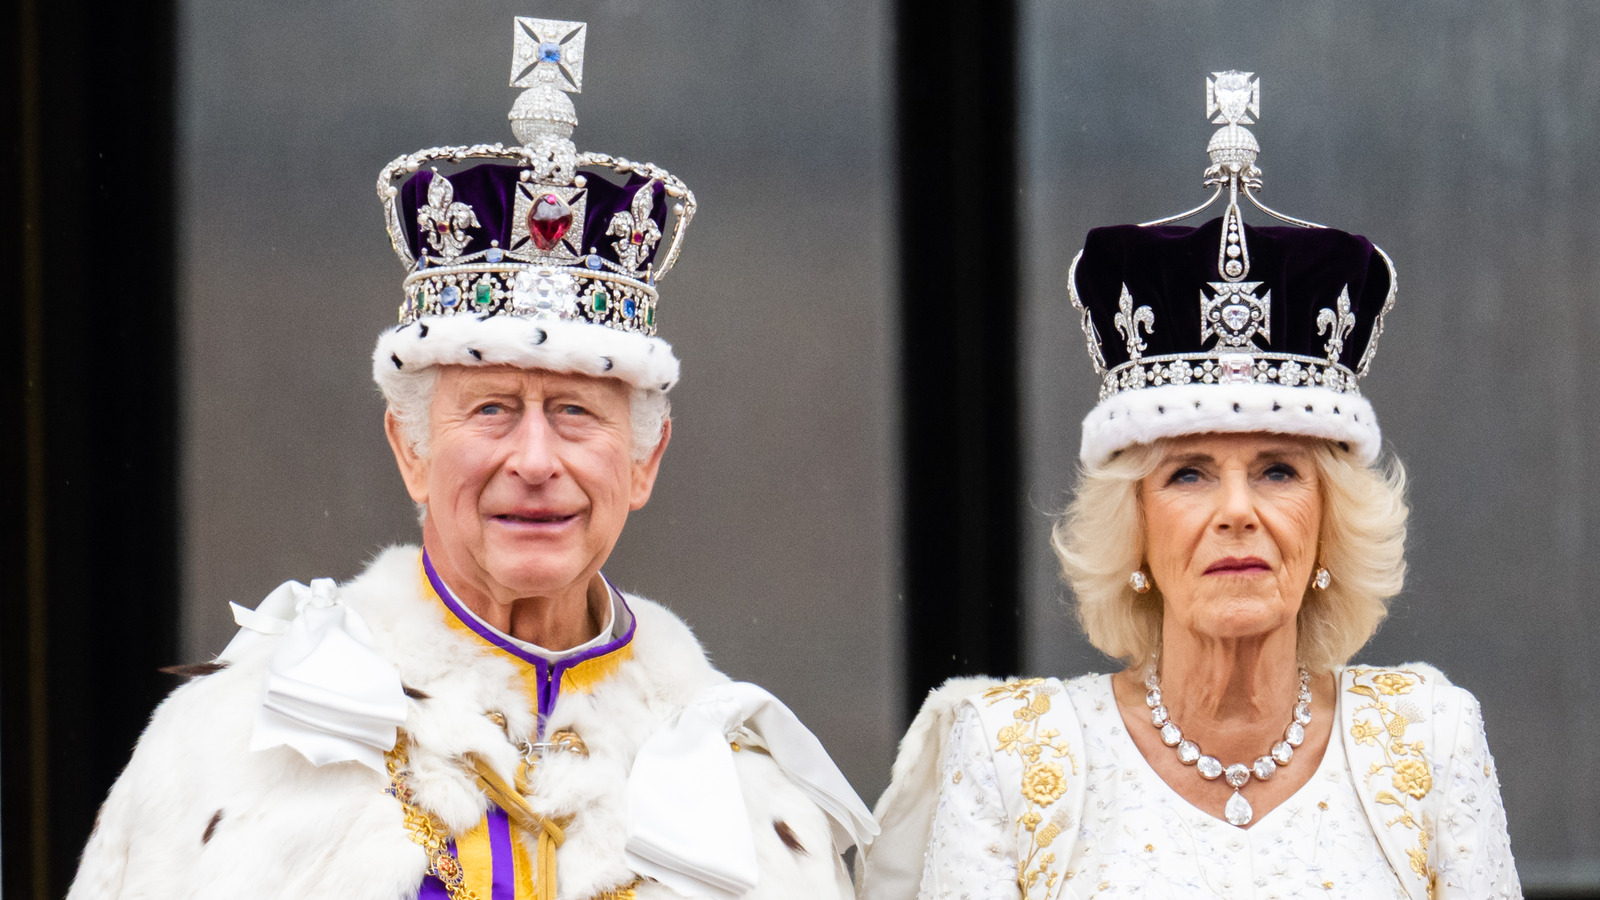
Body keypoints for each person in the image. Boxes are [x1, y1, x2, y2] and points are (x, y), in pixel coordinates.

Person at [69, 17, 872, 900]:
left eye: (575, 413)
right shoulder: (229, 749)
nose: (534, 459)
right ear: (409, 448)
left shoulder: (752, 792)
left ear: (646, 461)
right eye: (492, 409)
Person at [859, 72, 1518, 900]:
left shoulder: (1429, 740)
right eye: (1189, 474)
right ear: (1133, 521)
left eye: (1278, 470)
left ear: (1330, 521)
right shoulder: (1012, 753)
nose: (1236, 512)